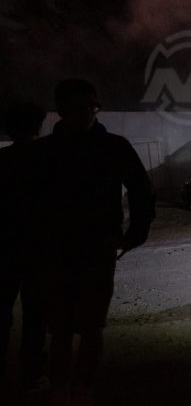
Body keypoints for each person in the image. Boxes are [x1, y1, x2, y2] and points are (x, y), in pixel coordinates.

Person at [40, 79, 155, 405]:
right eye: (80, 108)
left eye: (92, 107)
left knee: (91, 326)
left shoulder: (113, 146)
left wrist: (136, 231)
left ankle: (82, 389)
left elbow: (141, 190)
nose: (88, 114)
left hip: (97, 247)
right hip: (57, 251)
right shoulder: (47, 152)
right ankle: (60, 389)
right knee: (61, 328)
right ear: (61, 111)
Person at [0, 102, 48, 388]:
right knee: (36, 312)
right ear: (39, 126)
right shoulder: (49, 159)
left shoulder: (2, 160)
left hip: (4, 248)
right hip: (39, 248)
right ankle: (31, 371)